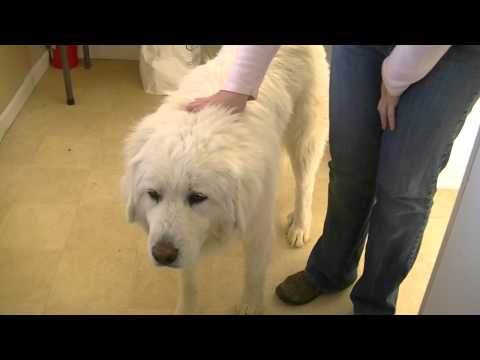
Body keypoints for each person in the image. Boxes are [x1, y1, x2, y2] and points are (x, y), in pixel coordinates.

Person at [186, 45, 480, 315]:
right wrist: (239, 87)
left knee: (402, 190)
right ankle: (330, 270)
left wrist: (395, 76)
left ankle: (375, 302)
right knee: (350, 167)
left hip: (449, 54)